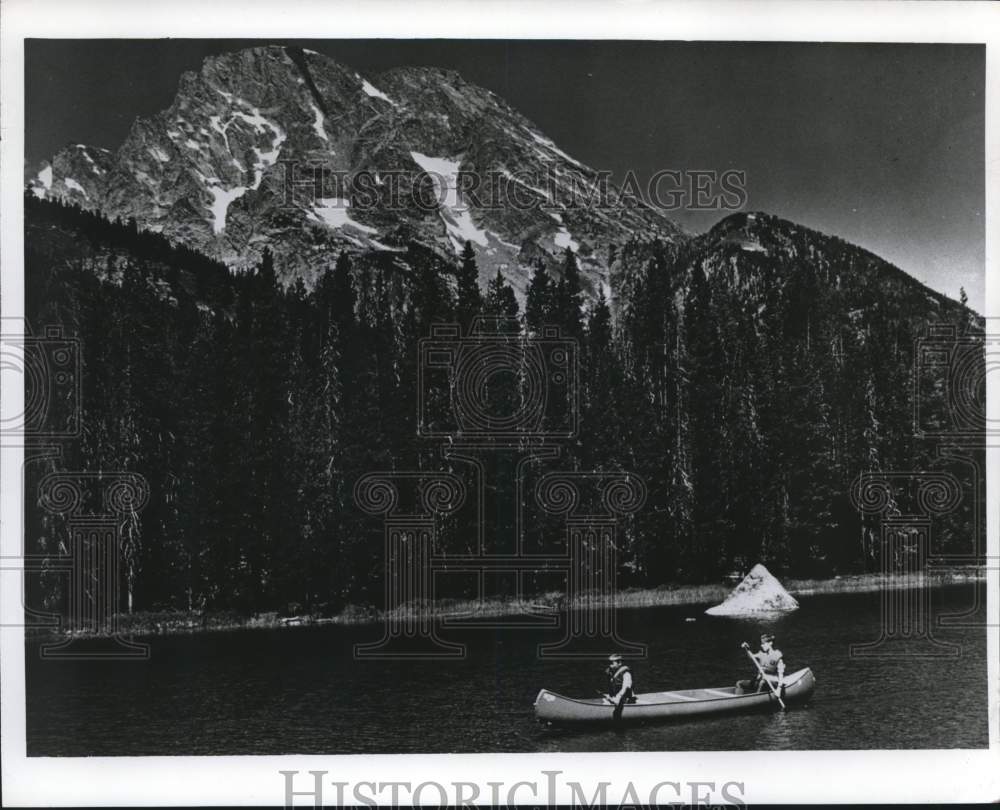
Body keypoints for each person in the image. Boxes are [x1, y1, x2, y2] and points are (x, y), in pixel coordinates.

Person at [605, 653, 636, 721]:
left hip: (625, 698)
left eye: (612, 662)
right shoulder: (610, 672)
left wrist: (618, 697)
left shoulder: (626, 673)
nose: (610, 664)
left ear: (619, 663)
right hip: (615, 697)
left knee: (617, 714)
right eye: (609, 662)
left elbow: (626, 687)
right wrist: (610, 695)